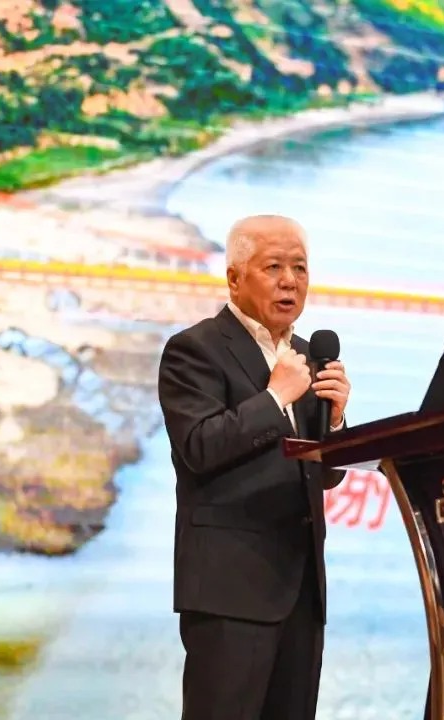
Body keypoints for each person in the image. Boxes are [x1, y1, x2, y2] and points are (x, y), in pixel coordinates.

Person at [157, 214, 351, 720]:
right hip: (230, 588)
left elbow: (324, 473)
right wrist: (274, 397)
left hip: (301, 588)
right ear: (234, 278)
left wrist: (336, 420)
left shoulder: (308, 357)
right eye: (274, 267)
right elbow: (199, 446)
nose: (290, 281)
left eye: (300, 268)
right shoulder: (194, 350)